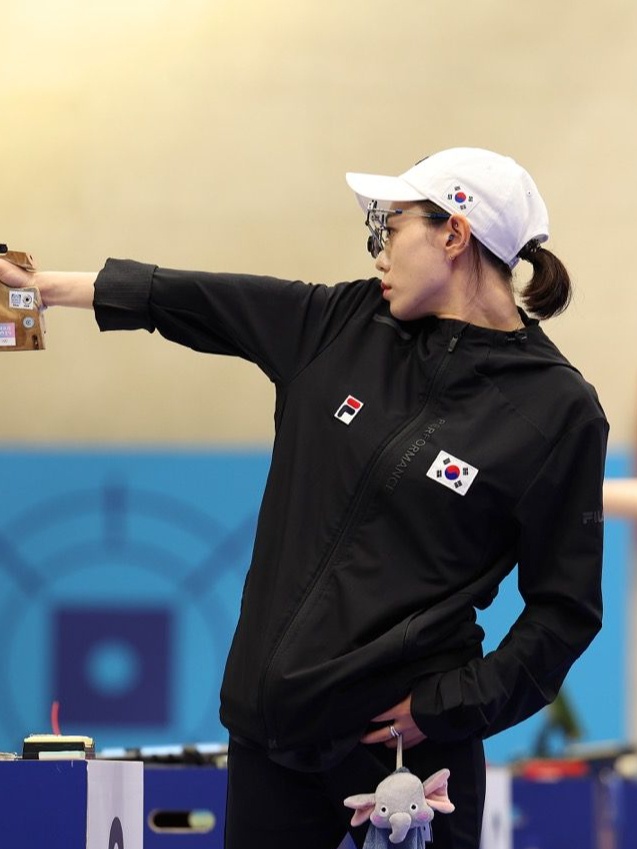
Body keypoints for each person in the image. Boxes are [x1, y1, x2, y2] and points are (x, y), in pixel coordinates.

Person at [0, 147, 608, 849]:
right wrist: (37, 288)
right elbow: (191, 297)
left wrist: (445, 708)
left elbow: (563, 610)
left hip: (408, 763)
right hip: (269, 742)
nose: (377, 252)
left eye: (392, 227)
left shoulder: (556, 410)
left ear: (453, 235)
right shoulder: (342, 323)